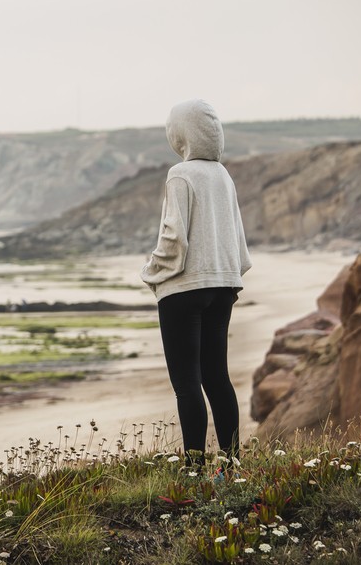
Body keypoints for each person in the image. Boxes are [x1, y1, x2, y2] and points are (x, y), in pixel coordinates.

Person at [140, 99, 252, 469]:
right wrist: (231, 276)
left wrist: (151, 273)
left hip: (185, 291)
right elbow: (238, 240)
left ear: (182, 134)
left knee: (186, 384)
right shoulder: (223, 175)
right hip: (223, 286)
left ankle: (194, 470)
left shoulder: (180, 174)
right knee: (217, 377)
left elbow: (173, 239)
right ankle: (233, 465)